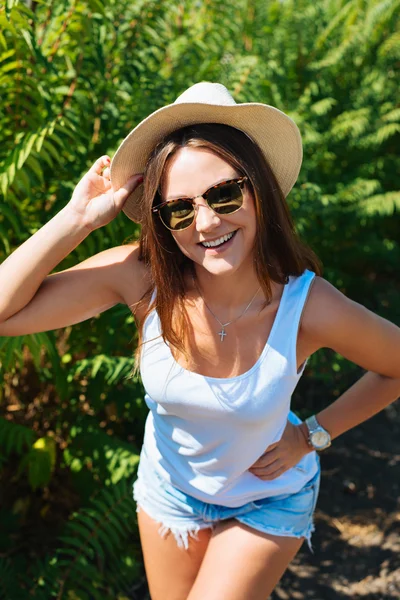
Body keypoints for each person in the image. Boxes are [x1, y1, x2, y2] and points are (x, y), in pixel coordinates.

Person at [0, 82, 399, 600]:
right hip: (169, 491)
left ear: (259, 189)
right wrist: (77, 220)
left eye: (224, 194)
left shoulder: (307, 307)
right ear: (162, 222)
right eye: (180, 210)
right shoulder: (144, 281)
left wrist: (313, 435)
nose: (206, 223)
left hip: (267, 499)